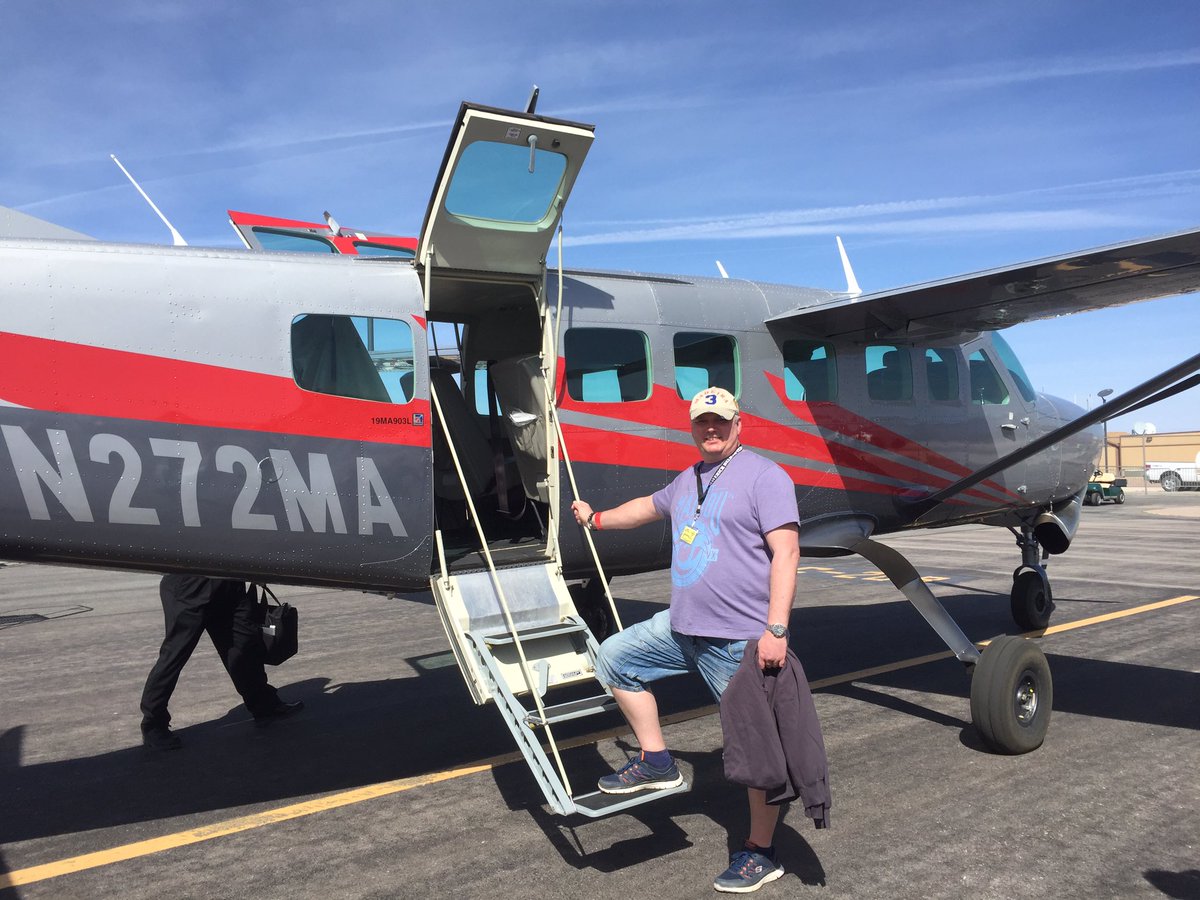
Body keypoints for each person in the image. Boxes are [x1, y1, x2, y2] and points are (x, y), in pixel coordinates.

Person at [570, 386, 801, 894]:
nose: (711, 430)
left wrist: (776, 629)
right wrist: (598, 519)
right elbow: (647, 508)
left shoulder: (766, 477)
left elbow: (786, 554)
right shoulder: (688, 479)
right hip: (681, 628)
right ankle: (657, 761)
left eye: (720, 421)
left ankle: (762, 853)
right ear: (693, 428)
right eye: (703, 423)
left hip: (736, 641)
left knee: (755, 751)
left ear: (739, 423)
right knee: (613, 658)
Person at [140, 575, 303, 750]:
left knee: (243, 647)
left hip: (229, 583)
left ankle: (264, 704)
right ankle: (153, 724)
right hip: (190, 587)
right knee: (174, 656)